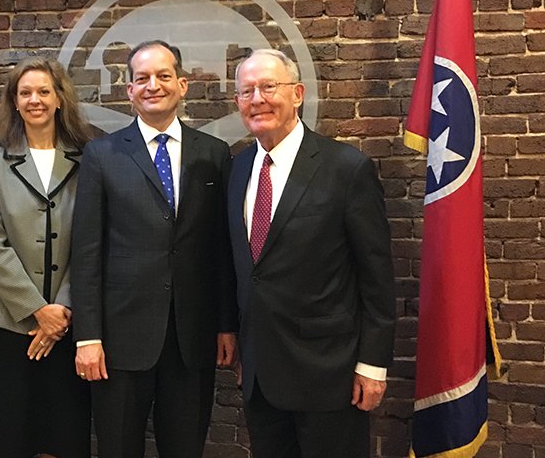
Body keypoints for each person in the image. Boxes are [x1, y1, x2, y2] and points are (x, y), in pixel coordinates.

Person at [71, 40, 238, 458]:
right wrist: (87, 336)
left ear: (182, 85)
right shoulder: (101, 154)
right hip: (119, 340)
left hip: (192, 337)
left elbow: (222, 251)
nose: (153, 86)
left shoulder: (214, 155)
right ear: (128, 90)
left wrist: (226, 324)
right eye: (142, 78)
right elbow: (87, 251)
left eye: (163, 76)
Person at [227, 49, 396, 457]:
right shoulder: (238, 167)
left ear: (298, 93)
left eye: (269, 87)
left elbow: (376, 277)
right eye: (246, 90)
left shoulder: (346, 168)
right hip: (261, 374)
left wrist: (372, 366)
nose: (257, 99)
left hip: (330, 373)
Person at [0, 56, 94, 458]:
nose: (35, 100)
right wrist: (36, 310)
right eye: (25, 93)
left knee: (65, 433)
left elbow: (92, 241)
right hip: (7, 321)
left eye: (44, 91)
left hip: (68, 321)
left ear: (60, 98)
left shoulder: (89, 156)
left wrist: (61, 309)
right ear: (14, 101)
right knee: (7, 435)